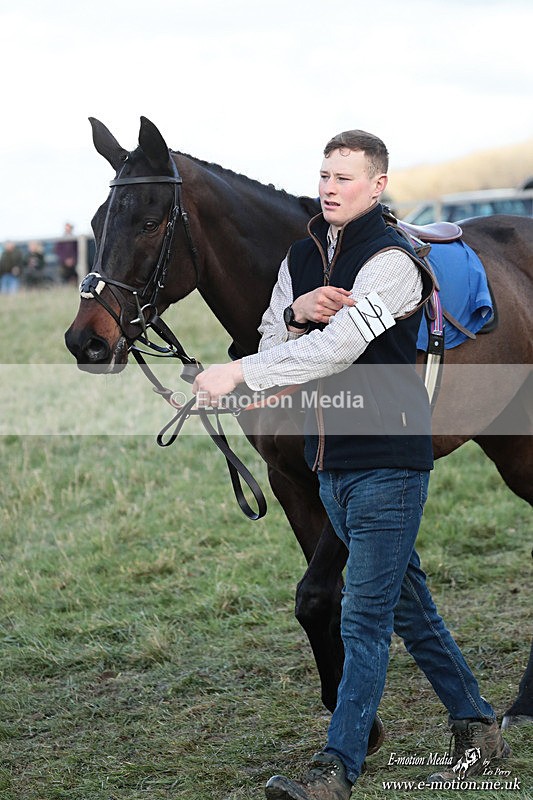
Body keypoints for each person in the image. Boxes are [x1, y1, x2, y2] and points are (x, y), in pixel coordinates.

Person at [192, 130, 510, 799]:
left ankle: (334, 770)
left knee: (362, 619)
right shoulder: (300, 258)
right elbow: (273, 339)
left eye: (345, 177)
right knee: (408, 606)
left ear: (377, 185)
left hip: (390, 457)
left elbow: (338, 348)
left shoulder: (394, 262)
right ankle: (477, 727)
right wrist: (293, 309)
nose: (330, 188)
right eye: (324, 176)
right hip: (330, 462)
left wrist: (238, 373)